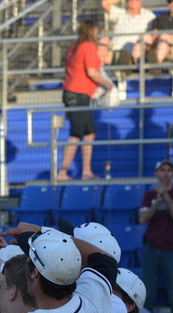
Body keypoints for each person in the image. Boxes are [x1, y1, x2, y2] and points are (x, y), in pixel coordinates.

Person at [58, 21, 115, 182]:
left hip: (74, 93)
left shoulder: (74, 46)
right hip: (78, 94)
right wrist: (109, 85)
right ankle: (62, 172)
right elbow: (92, 72)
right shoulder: (88, 46)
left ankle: (86, 171)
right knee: (75, 134)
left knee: (89, 133)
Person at [139, 159, 173, 313]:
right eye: (162, 170)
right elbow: (142, 219)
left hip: (170, 248)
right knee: (148, 287)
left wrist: (166, 197)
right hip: (152, 246)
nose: (166, 173)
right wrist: (157, 202)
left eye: (168, 170)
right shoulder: (149, 194)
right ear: (156, 173)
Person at [102, 0, 156, 64]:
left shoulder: (148, 15)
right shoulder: (121, 13)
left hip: (133, 53)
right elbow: (105, 4)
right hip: (114, 50)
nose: (133, 1)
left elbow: (153, 34)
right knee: (103, 41)